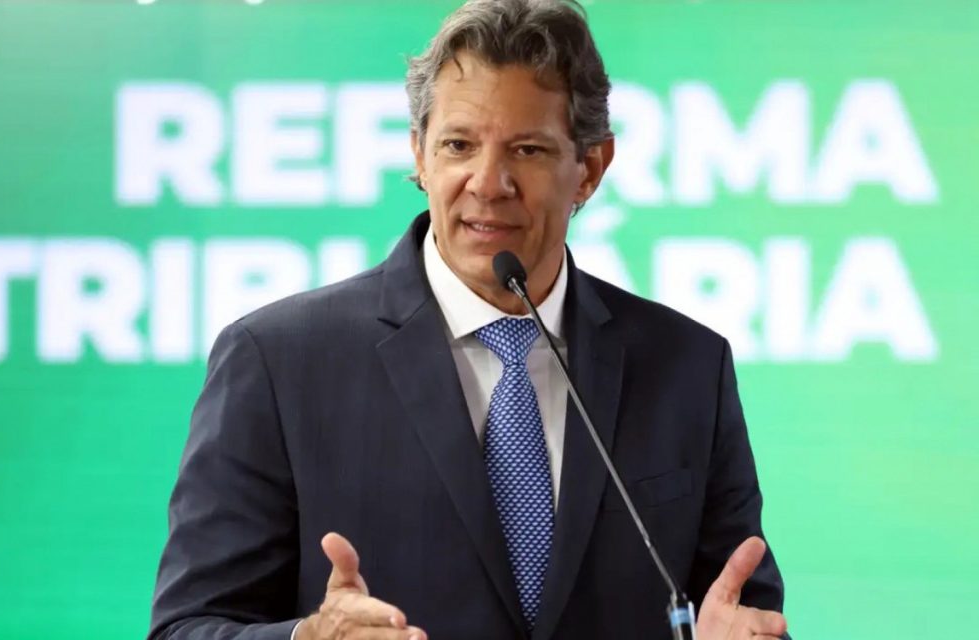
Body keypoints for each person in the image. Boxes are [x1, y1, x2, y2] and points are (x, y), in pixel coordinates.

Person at [149, 1, 789, 639]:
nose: (488, 183)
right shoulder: (278, 361)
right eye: (458, 145)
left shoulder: (686, 366)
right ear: (420, 155)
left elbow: (744, 614)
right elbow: (187, 628)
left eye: (527, 149)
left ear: (589, 169)